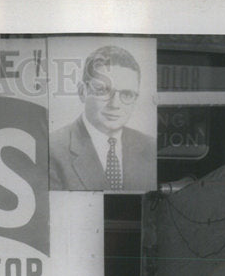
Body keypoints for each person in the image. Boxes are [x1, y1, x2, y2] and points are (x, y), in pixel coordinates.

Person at [49, 45, 156, 192]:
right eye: (103, 90)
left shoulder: (151, 147)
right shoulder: (51, 150)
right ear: (82, 92)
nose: (115, 104)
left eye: (127, 94)